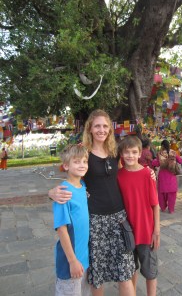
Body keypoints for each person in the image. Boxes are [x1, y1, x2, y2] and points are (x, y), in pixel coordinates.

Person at [49, 109, 136, 296]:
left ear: (110, 129)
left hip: (119, 219)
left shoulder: (115, 151)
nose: (101, 130)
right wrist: (51, 192)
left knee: (125, 271)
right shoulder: (84, 154)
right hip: (95, 220)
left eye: (105, 126)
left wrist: (149, 172)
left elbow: (128, 171)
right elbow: (69, 175)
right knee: (98, 274)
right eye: (97, 126)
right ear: (90, 128)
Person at [117, 136, 160, 296]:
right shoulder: (118, 175)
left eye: (134, 152)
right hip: (126, 231)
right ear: (121, 153)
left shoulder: (147, 174)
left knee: (150, 271)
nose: (130, 155)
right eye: (126, 152)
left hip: (146, 230)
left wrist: (156, 230)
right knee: (131, 269)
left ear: (140, 152)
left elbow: (155, 205)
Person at [53, 144, 91, 296]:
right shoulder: (63, 192)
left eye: (84, 161)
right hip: (70, 260)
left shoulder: (82, 185)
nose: (82, 165)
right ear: (66, 165)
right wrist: (72, 261)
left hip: (84, 258)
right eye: (76, 161)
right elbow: (62, 229)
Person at [152, 140, 182, 213]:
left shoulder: (160, 153)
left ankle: (163, 208)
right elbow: (180, 161)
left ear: (162, 146)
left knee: (161, 193)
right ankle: (171, 209)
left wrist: (152, 161)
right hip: (172, 176)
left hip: (163, 176)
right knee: (172, 193)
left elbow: (156, 163)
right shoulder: (173, 152)